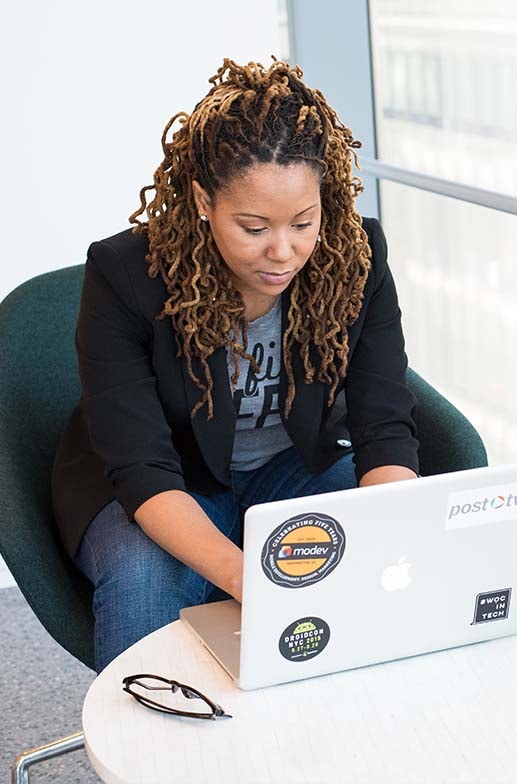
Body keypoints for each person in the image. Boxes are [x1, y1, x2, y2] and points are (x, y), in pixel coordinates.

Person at [51, 58, 420, 671]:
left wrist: (393, 534)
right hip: (166, 482)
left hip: (288, 469)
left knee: (386, 557)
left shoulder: (357, 255)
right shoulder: (125, 276)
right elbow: (142, 466)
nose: (284, 251)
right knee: (146, 579)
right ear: (203, 200)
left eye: (304, 222)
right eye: (254, 227)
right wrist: (253, 577)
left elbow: (384, 425)